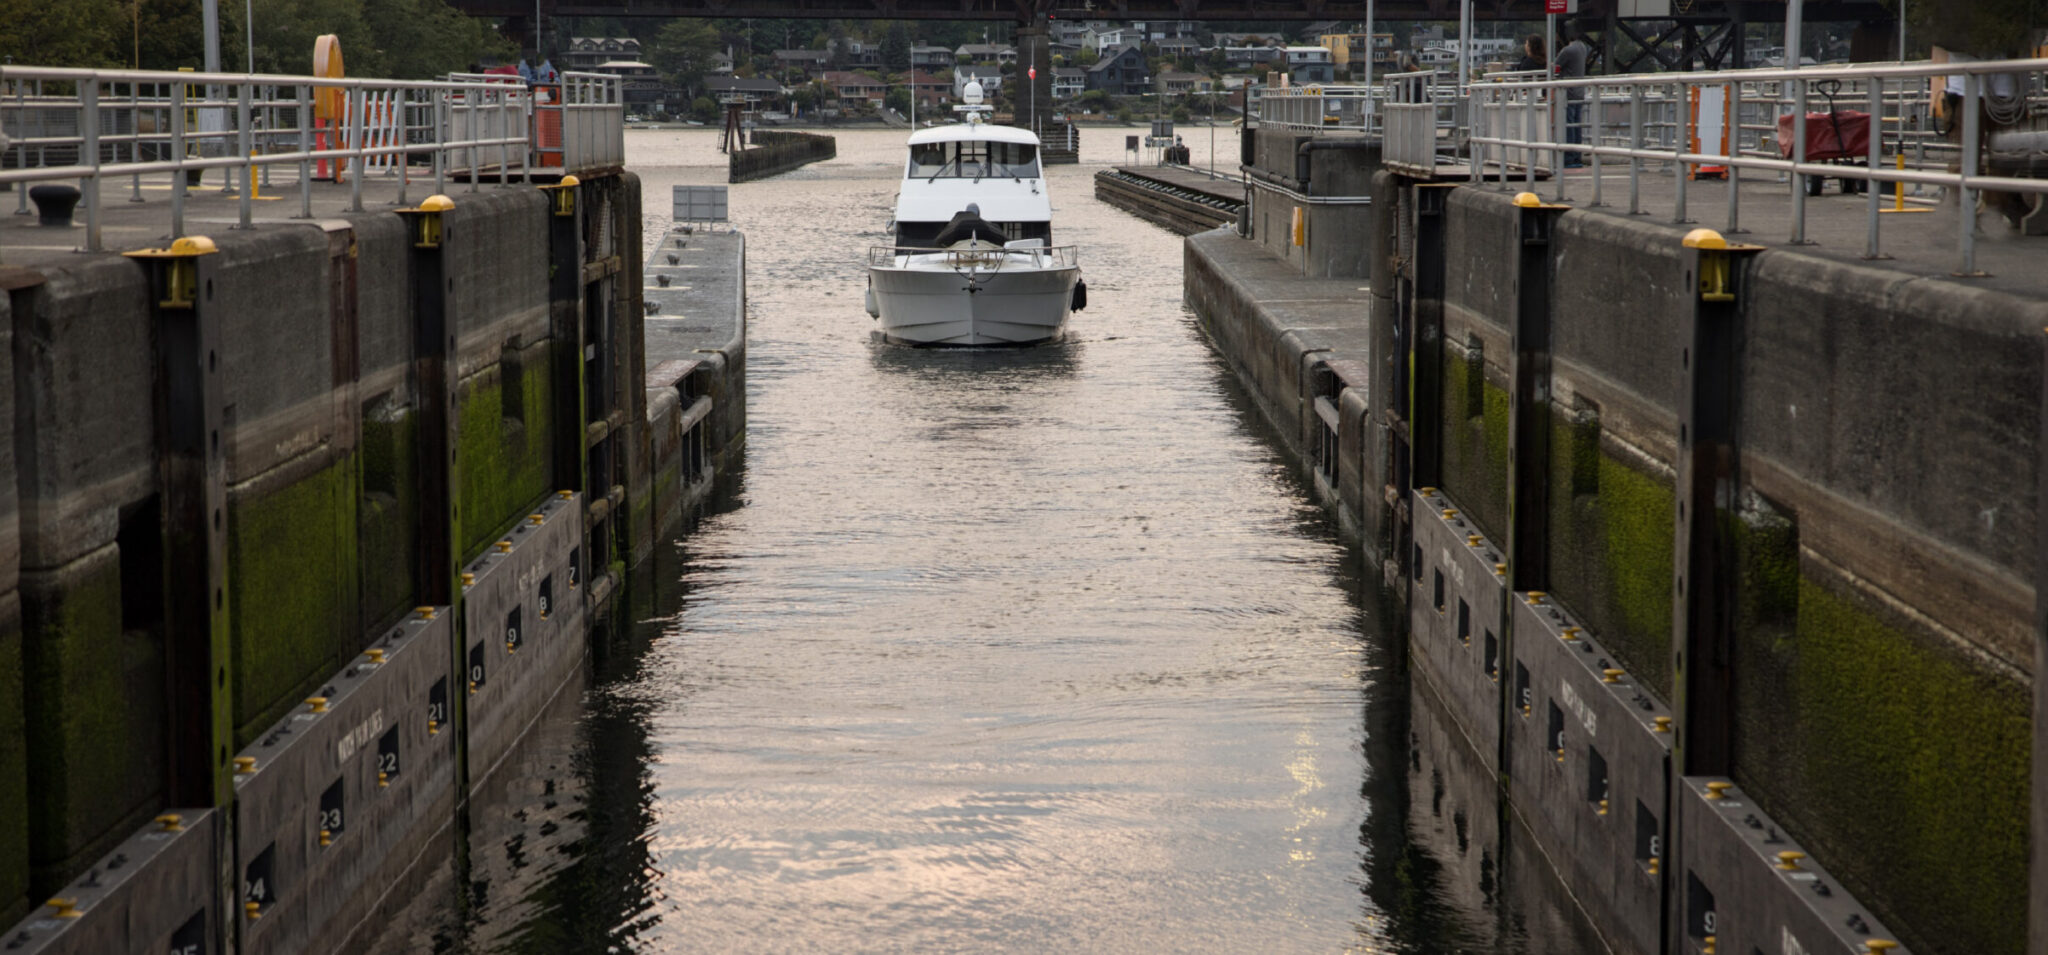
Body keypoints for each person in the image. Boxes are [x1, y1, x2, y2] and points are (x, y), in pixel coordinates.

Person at [1553, 27, 1589, 167]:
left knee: (1568, 126)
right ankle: (1577, 156)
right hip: (1579, 92)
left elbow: (1555, 67)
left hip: (1568, 93)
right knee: (1576, 125)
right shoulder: (1582, 47)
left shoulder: (1567, 51)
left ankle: (1568, 158)